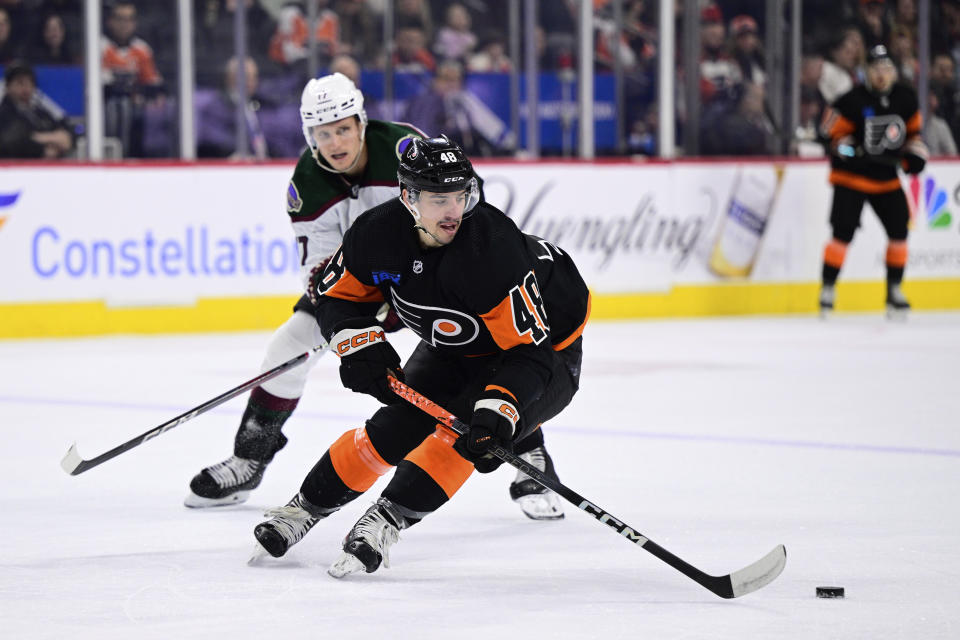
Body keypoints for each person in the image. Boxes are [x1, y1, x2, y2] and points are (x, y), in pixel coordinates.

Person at [185, 73, 565, 522]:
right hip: (368, 284)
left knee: (490, 354)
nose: (335, 141)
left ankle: (530, 452)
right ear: (310, 136)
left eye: (343, 128)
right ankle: (250, 458)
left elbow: (466, 207)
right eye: (323, 133)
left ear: (362, 123)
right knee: (287, 346)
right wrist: (362, 314)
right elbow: (322, 272)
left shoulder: (407, 149)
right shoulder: (307, 183)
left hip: (443, 276)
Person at [251, 136, 590, 577]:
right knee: (393, 428)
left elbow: (528, 354)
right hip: (455, 347)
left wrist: (500, 411)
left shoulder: (491, 250)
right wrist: (359, 347)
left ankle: (386, 519)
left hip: (547, 354)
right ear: (408, 197)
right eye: (438, 198)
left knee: (465, 434)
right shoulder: (376, 233)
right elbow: (335, 299)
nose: (454, 210)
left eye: (461, 194)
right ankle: (304, 509)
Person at [818, 45, 927, 318]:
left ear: (893, 72)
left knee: (899, 232)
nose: (881, 75)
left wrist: (914, 157)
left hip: (886, 179)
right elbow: (828, 136)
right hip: (851, 179)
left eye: (886, 69)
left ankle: (894, 290)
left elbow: (914, 136)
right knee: (842, 235)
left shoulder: (906, 98)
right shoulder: (850, 100)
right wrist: (849, 151)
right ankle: (828, 289)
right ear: (865, 72)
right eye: (875, 69)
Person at [0, 61, 74, 159]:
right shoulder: (4, 114)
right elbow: (11, 141)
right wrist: (42, 148)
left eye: (30, 83)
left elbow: (66, 130)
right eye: (20, 83)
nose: (26, 88)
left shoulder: (40, 111)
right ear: (8, 87)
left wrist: (45, 138)